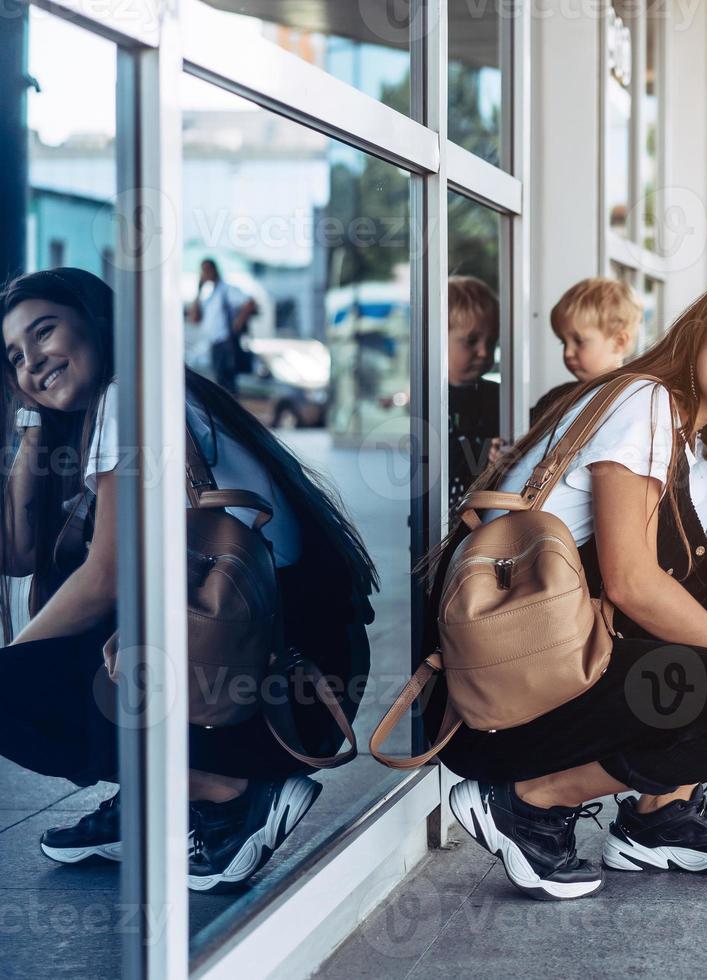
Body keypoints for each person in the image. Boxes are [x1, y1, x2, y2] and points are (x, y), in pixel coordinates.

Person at [418, 268, 707, 901]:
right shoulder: (643, 402)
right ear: (704, 323)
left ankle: (659, 817)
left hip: (559, 676)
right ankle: (528, 803)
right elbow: (632, 582)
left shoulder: (689, 454)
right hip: (493, 700)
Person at [0, 268, 378, 893]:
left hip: (280, 681)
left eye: (45, 333)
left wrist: (16, 670)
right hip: (279, 665)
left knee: (28, 674)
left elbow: (104, 580)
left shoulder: (133, 398)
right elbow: (14, 552)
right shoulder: (124, 404)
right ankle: (161, 800)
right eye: (15, 356)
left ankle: (223, 791)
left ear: (98, 324)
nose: (33, 360)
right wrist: (30, 422)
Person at [528, 277, 640, 428]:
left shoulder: (633, 402)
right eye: (563, 342)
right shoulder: (554, 400)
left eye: (579, 342)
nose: (567, 352)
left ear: (619, 342)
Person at [446, 275, 502, 503]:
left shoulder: (498, 396)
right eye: (471, 341)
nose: (483, 352)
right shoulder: (429, 400)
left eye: (491, 342)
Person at [186, 258, 257, 397]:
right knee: (221, 383)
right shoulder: (211, 295)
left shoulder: (226, 290)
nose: (204, 274)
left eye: (206, 270)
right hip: (215, 344)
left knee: (227, 386)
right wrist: (198, 289)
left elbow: (250, 302)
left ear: (214, 270)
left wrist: (237, 324)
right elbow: (195, 318)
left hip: (225, 343)